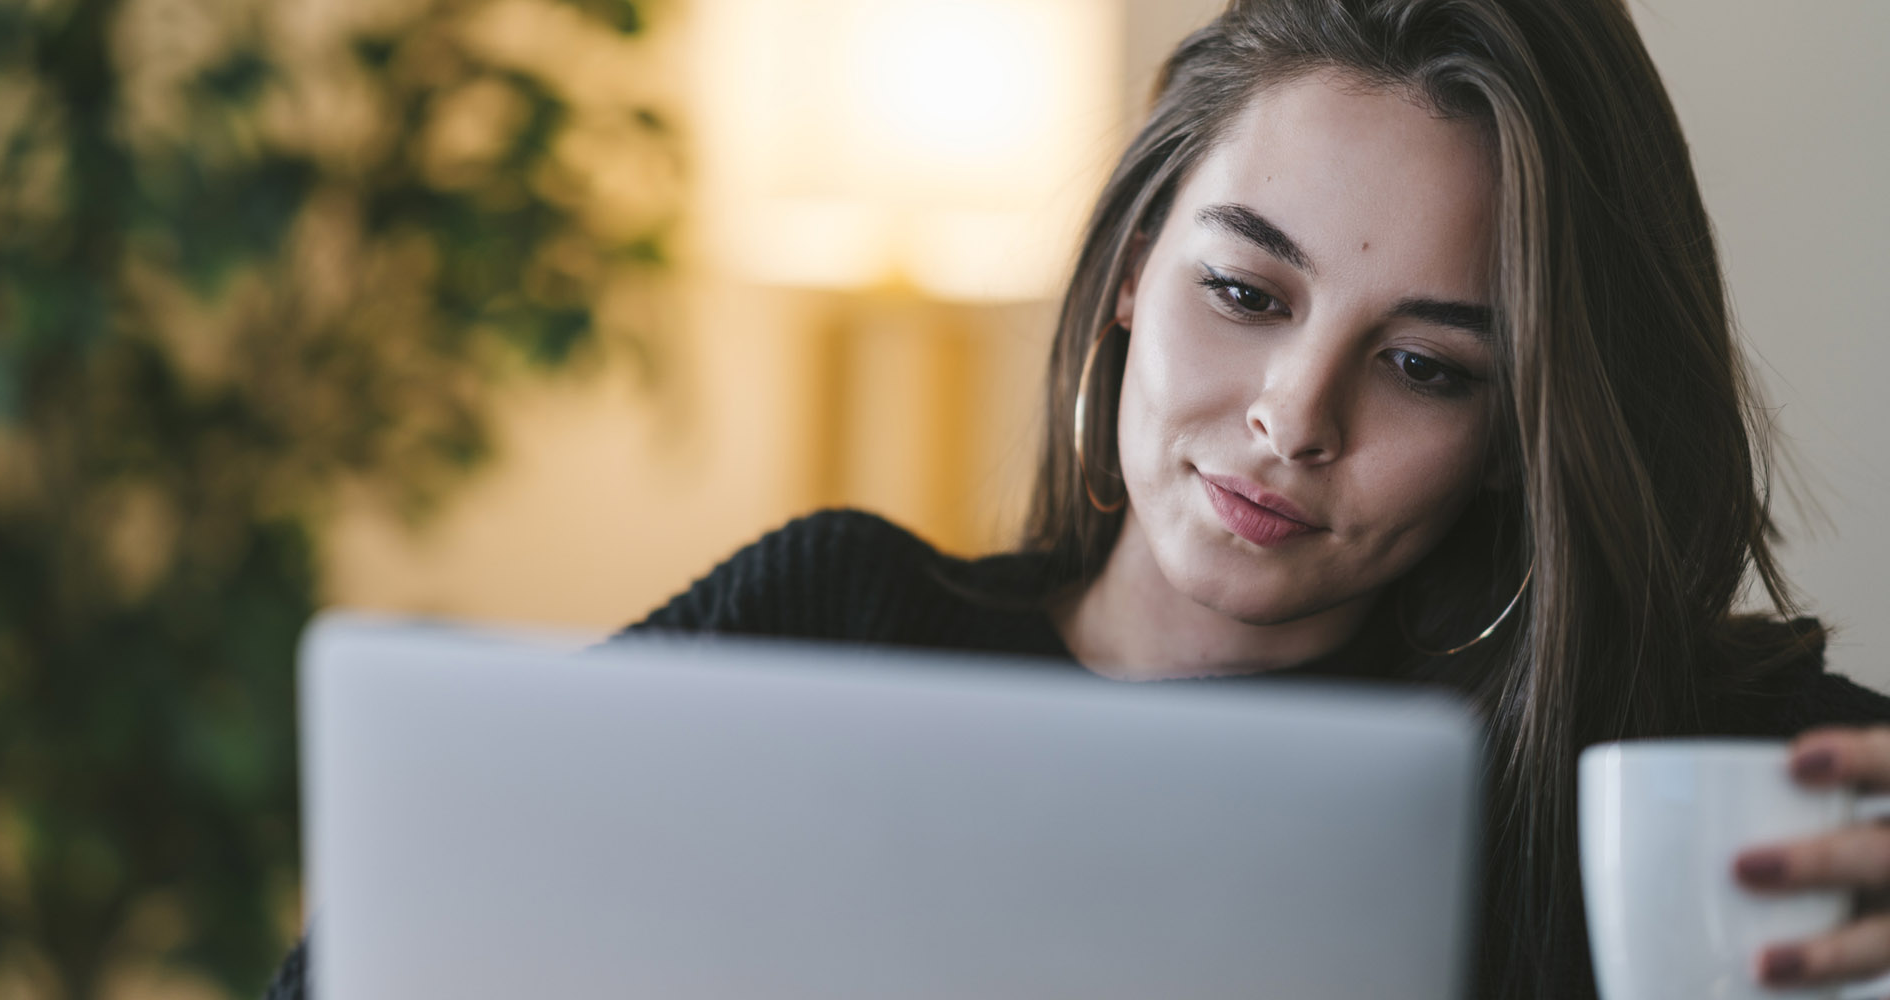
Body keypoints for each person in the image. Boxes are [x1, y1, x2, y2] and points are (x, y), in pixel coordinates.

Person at [262, 1, 1890, 998]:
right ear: (1128, 268)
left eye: (1426, 369)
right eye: (1248, 293)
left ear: (1523, 424)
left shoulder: (1639, 778)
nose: (1289, 415)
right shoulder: (839, 625)